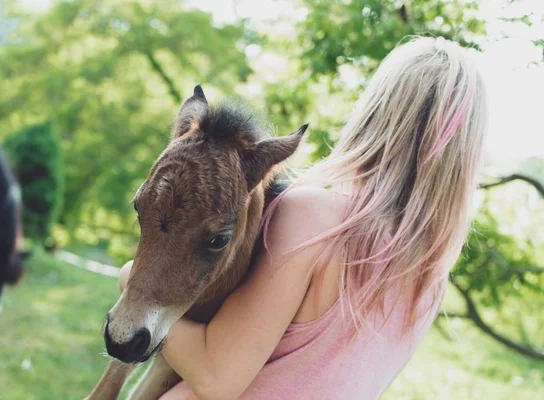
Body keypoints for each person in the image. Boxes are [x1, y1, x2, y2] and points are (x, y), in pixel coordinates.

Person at [119, 36, 488, 399]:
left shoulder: (315, 216)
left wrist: (128, 278)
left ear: (374, 112)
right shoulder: (430, 271)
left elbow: (215, 376)